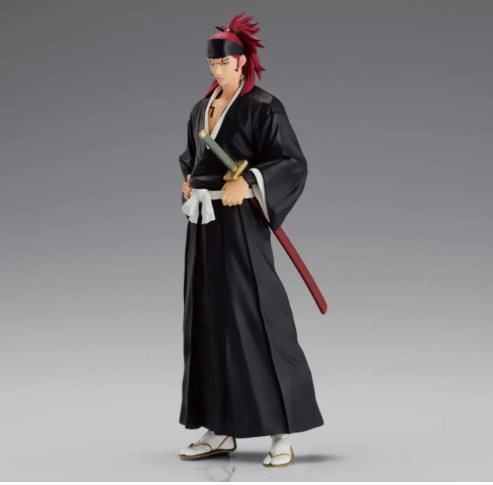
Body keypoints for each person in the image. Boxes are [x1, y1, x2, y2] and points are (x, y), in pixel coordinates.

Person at [177, 11, 324, 467]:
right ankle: (219, 427)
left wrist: (251, 180)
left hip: (240, 223)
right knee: (206, 319)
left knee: (256, 316)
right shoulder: (202, 109)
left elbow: (291, 162)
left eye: (223, 62)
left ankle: (282, 431)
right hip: (204, 224)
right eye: (211, 63)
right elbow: (192, 158)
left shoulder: (263, 107)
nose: (216, 69)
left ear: (241, 61)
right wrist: (188, 182)